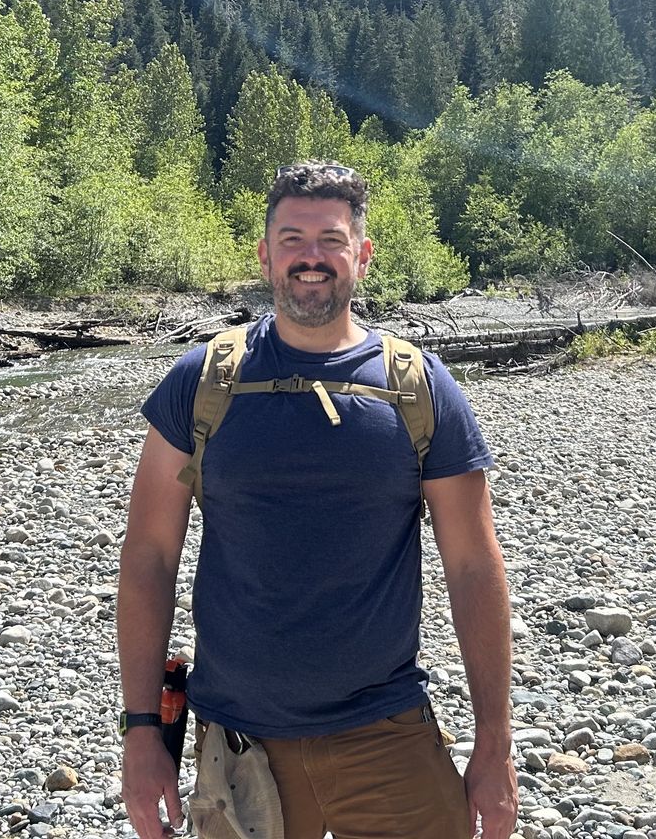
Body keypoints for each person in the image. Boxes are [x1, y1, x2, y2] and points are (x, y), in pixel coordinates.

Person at [117, 161, 518, 839]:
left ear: (361, 255)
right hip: (241, 746)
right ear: (265, 253)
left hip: (389, 737)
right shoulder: (202, 382)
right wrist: (140, 734)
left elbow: (475, 567)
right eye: (293, 238)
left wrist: (494, 743)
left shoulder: (419, 388)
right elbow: (150, 556)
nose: (311, 258)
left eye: (331, 240)